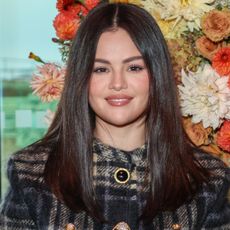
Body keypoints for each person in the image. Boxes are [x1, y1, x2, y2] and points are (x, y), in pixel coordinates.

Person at [0, 2, 229, 230]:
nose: (117, 84)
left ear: (157, 74)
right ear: (82, 78)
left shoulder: (207, 182)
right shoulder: (32, 174)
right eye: (101, 69)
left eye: (134, 68)